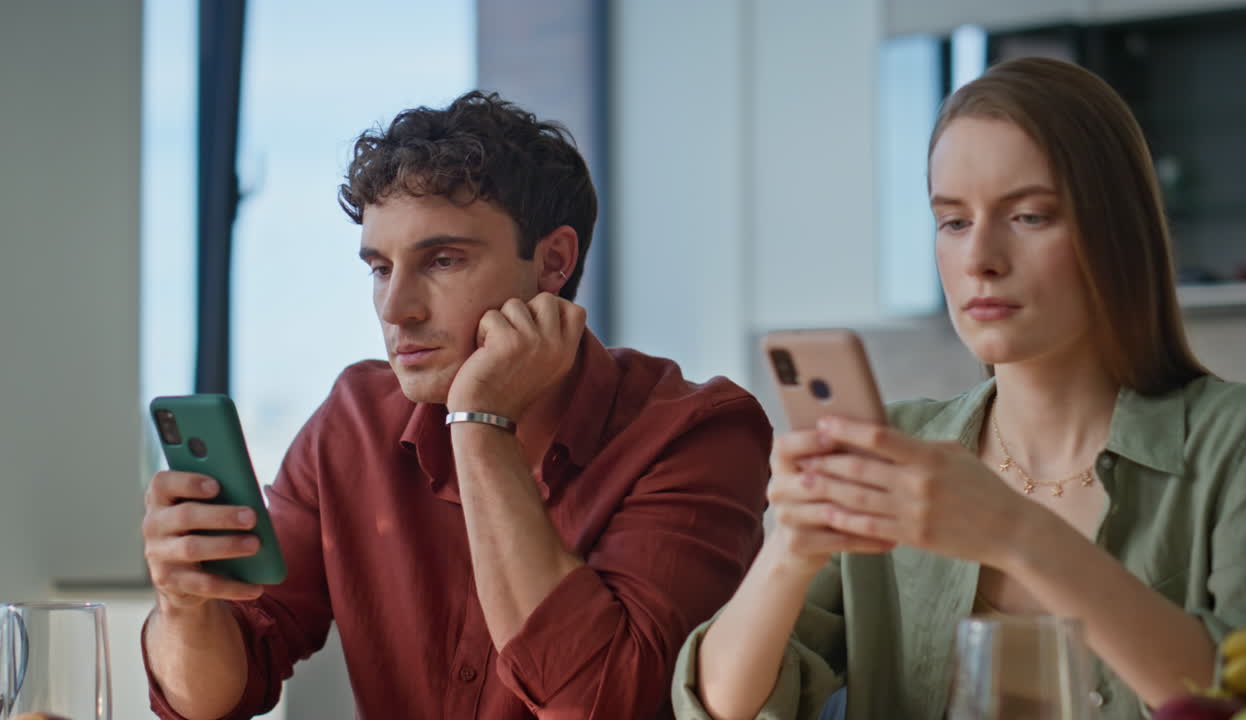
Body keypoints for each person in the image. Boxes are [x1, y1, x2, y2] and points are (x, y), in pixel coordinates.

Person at [673, 57, 1246, 720]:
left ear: (1117, 232)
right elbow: (721, 707)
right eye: (954, 221)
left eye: (1029, 216)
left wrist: (1017, 533)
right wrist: (790, 548)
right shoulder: (897, 450)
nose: (979, 258)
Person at [141, 91, 773, 720]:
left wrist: (479, 423)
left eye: (442, 261)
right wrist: (185, 603)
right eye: (381, 269)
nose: (397, 310)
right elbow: (217, 694)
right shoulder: (355, 421)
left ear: (554, 262)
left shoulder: (696, 434)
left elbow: (599, 703)